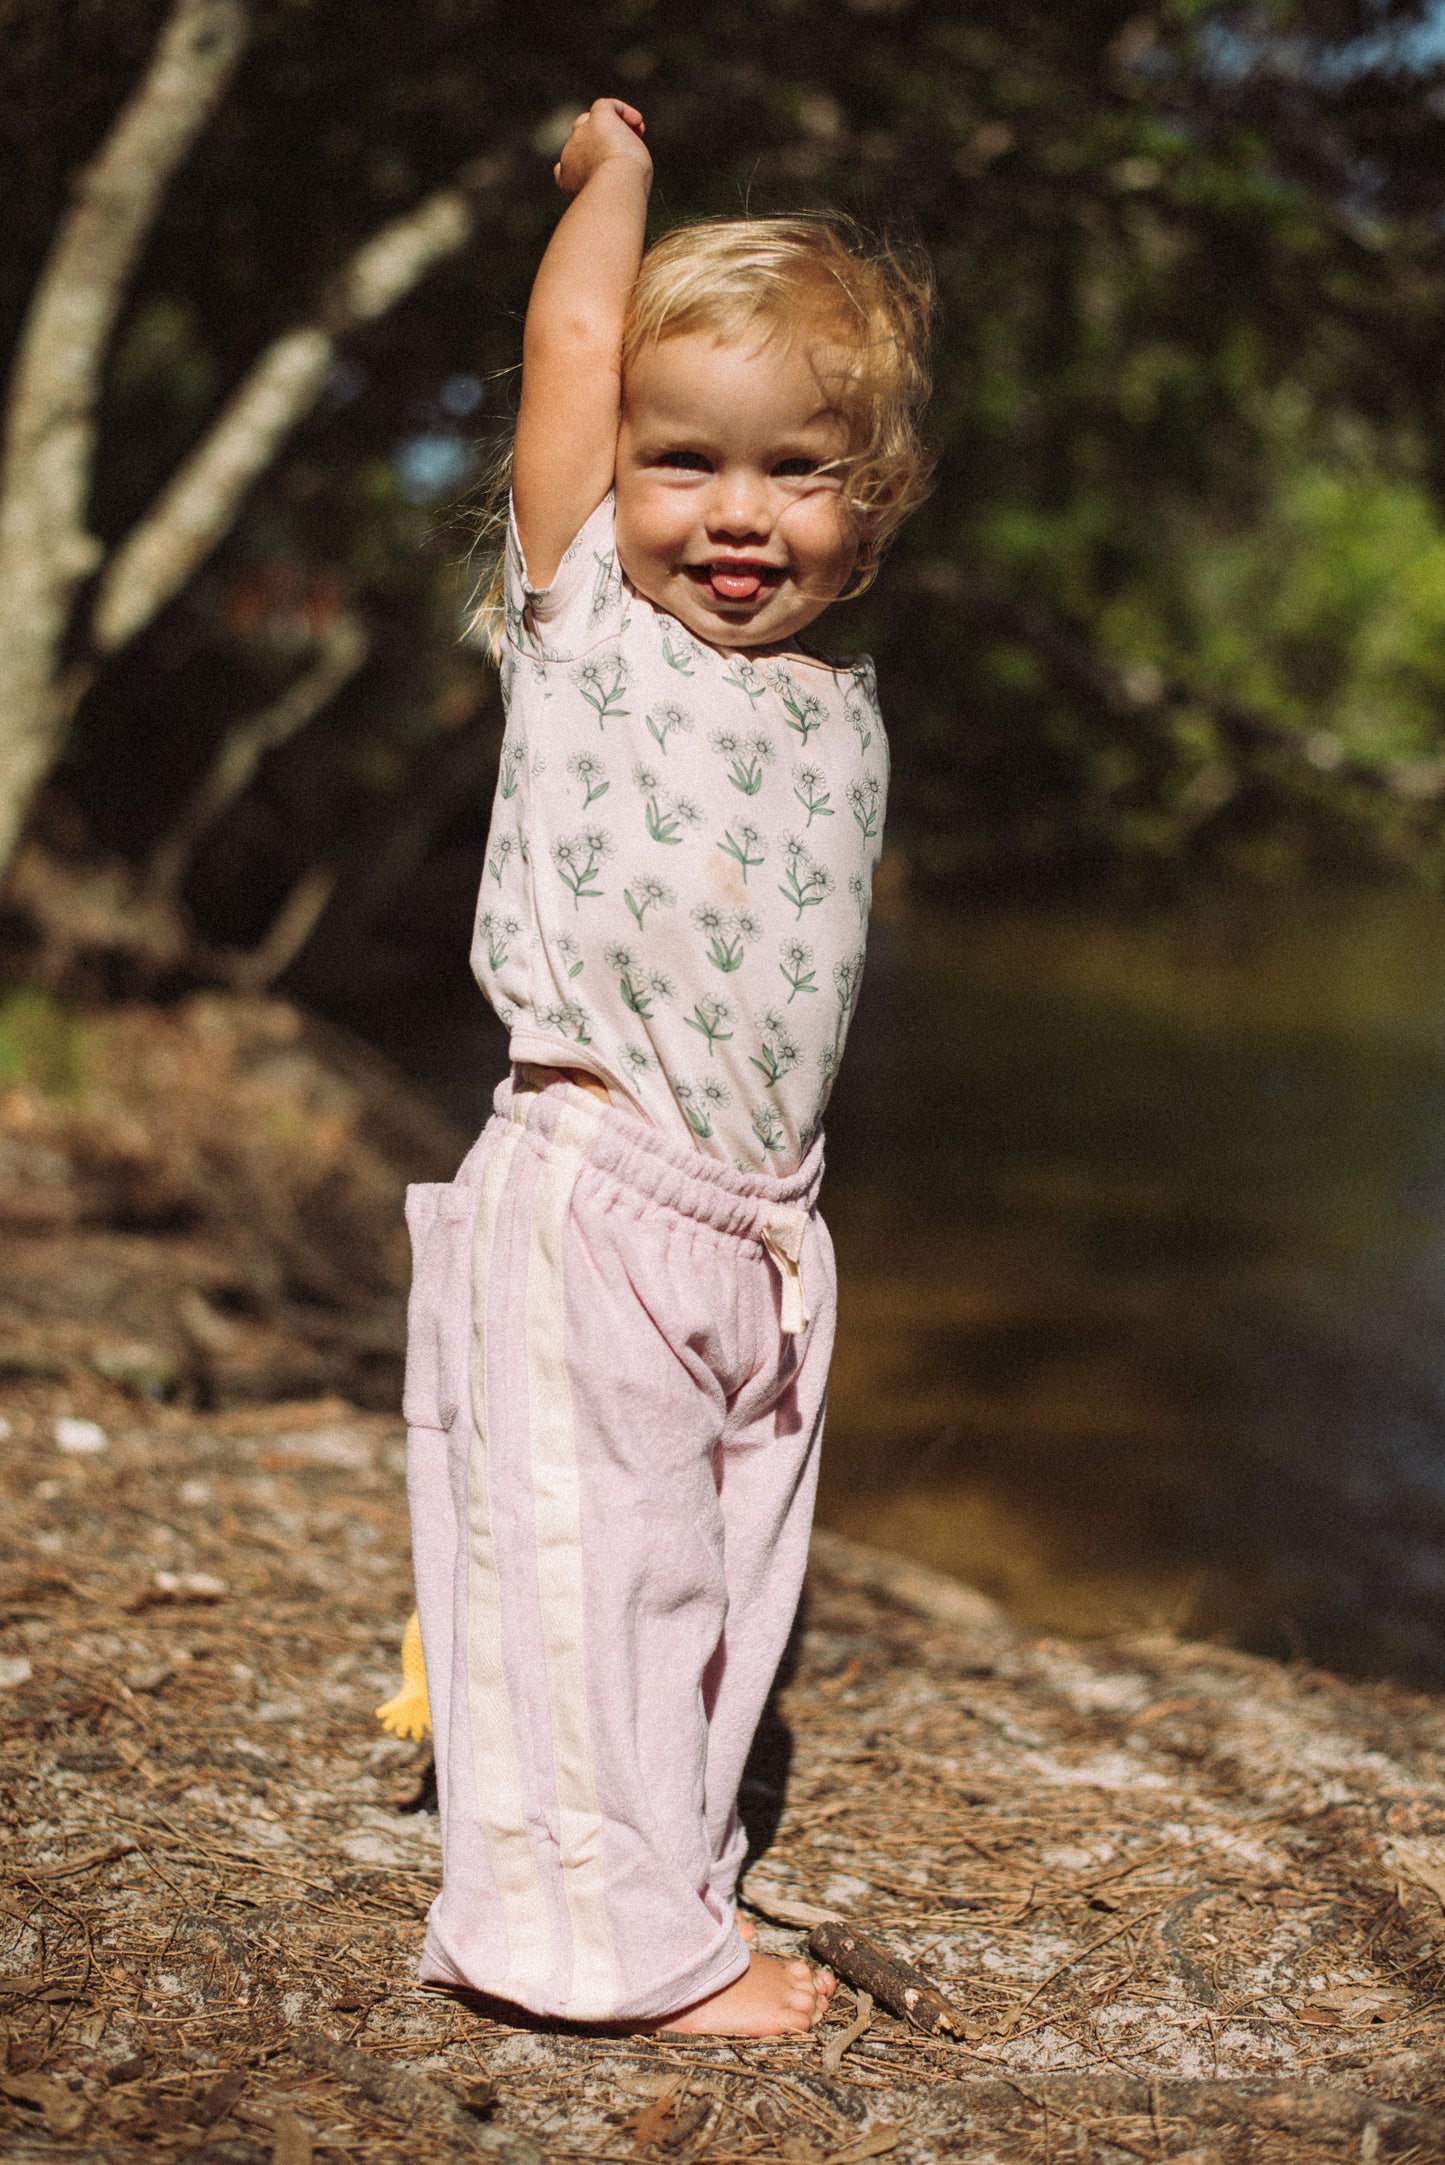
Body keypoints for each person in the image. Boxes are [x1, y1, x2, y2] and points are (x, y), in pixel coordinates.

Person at [399, 95, 933, 2035]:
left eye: (796, 473)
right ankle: (596, 1952)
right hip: (595, 1190)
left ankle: (671, 1874)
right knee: (590, 1570)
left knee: (714, 1579)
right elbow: (563, 353)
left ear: (872, 504)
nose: (735, 512)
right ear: (610, 477)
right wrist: (610, 180)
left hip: (762, 1228)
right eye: (682, 460)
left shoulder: (830, 699)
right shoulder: (593, 635)